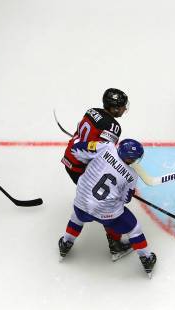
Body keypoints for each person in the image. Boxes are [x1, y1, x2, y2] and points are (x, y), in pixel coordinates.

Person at [58, 139, 157, 277]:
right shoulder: (132, 176)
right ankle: (146, 258)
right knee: (133, 228)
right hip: (106, 214)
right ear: (130, 159)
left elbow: (76, 150)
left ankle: (66, 242)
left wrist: (90, 166)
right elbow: (125, 200)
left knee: (77, 215)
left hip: (81, 201)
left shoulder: (105, 147)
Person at [60, 88, 131, 260]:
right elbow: (104, 154)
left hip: (69, 159)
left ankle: (66, 242)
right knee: (107, 205)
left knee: (86, 202)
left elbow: (87, 137)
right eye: (121, 107)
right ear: (114, 108)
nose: (124, 109)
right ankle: (115, 245)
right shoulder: (113, 126)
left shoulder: (92, 111)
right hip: (80, 167)